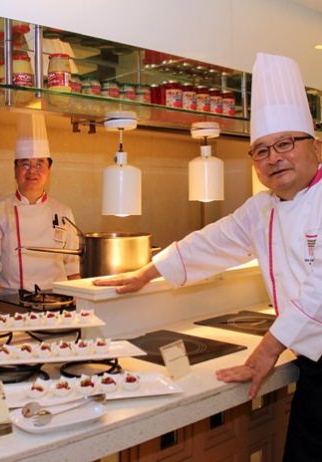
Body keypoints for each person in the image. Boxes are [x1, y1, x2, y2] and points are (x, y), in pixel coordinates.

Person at [94, 53, 322, 461]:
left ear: (316, 147)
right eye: (261, 150)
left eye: (285, 143)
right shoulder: (263, 208)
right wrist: (148, 272)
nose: (273, 157)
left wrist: (268, 349)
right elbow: (214, 240)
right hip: (313, 366)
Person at [0, 113, 80, 297]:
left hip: (58, 299)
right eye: (25, 165)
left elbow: (72, 267)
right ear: (15, 170)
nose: (32, 171)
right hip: (13, 298)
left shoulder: (63, 211)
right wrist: (0, 301)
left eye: (39, 164)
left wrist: (77, 301)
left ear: (49, 170)